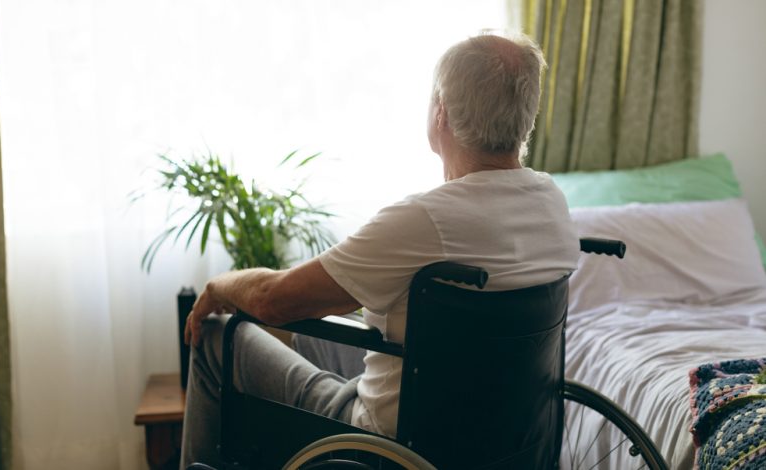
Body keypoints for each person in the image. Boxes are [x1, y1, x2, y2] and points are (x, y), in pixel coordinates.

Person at [179, 32, 579, 468]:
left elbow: (273, 300)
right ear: (528, 114)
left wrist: (219, 286)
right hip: (505, 440)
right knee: (299, 336)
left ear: (440, 112)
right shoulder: (552, 204)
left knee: (220, 337)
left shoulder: (425, 220)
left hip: (385, 444)